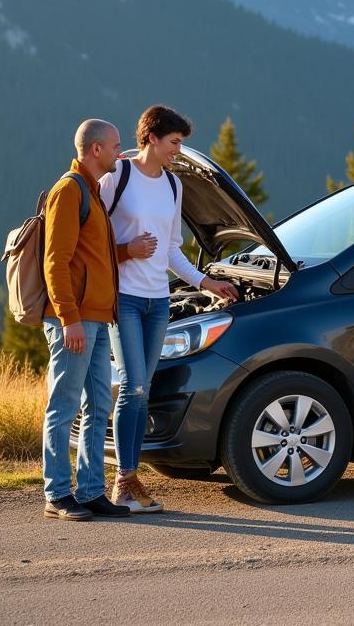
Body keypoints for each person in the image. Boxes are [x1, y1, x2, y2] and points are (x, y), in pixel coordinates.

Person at [101, 105, 239, 513]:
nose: (179, 151)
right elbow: (93, 239)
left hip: (158, 301)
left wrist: (207, 282)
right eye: (174, 143)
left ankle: (128, 478)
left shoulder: (174, 187)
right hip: (122, 298)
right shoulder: (118, 177)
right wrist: (128, 251)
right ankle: (123, 482)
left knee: (143, 390)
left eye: (181, 144)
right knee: (134, 386)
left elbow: (173, 251)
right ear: (151, 138)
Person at [41, 119, 131, 521]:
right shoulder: (69, 191)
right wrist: (69, 319)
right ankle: (58, 494)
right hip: (75, 322)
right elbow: (55, 262)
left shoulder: (93, 193)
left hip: (98, 319)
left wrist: (128, 251)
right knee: (64, 408)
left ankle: (92, 491)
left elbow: (94, 257)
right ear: (95, 150)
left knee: (97, 407)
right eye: (115, 145)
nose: (120, 151)